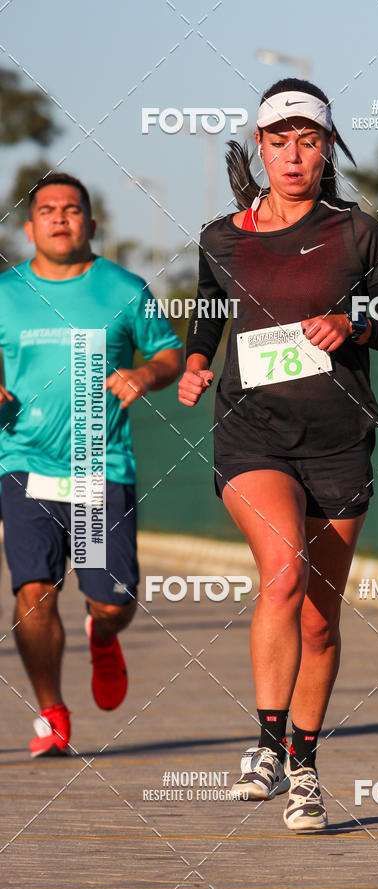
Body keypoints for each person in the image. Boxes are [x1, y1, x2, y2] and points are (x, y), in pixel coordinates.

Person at [179, 78, 378, 831]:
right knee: (282, 574)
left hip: (339, 441)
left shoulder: (358, 235)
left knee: (320, 620)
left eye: (307, 142)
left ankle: (306, 765)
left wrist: (351, 325)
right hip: (251, 434)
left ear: (327, 151)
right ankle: (265, 746)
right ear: (260, 148)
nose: (292, 156)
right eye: (278, 142)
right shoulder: (222, 237)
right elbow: (208, 319)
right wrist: (192, 362)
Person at [0, 173, 183, 757]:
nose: (60, 218)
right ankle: (52, 712)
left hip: (97, 467)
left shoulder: (123, 289)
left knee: (111, 602)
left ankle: (102, 637)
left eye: (72, 209)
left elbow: (170, 352)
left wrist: (145, 374)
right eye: (48, 210)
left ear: (91, 222)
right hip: (23, 461)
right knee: (33, 591)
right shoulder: (5, 293)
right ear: (30, 228)